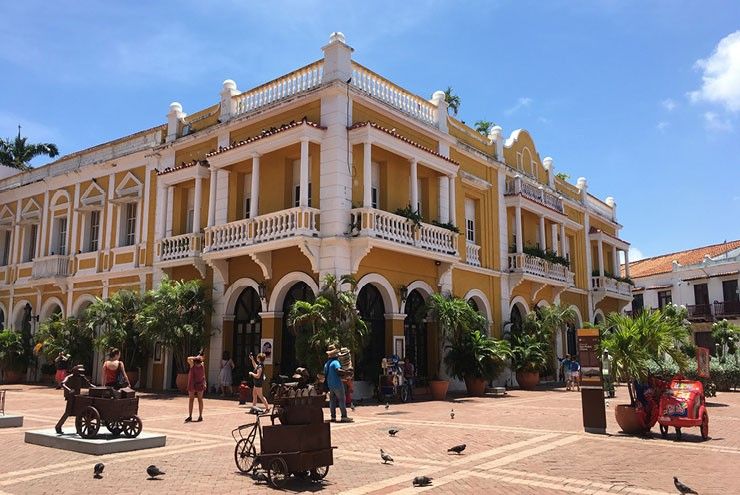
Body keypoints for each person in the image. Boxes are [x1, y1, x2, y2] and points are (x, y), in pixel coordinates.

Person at [55, 365, 92, 434]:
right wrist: (69, 390)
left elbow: (89, 384)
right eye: (78, 371)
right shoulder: (69, 377)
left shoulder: (81, 377)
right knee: (68, 412)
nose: (80, 373)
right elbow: (63, 384)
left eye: (80, 372)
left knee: (80, 412)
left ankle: (79, 429)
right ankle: (58, 426)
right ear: (74, 371)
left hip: (78, 396)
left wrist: (96, 388)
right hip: (71, 396)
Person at [324, 344, 353, 422]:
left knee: (332, 401)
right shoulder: (335, 362)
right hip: (337, 384)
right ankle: (344, 416)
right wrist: (347, 373)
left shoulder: (326, 364)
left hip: (330, 385)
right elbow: (339, 371)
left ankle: (333, 417)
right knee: (341, 400)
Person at [185, 351, 206, 422]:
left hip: (200, 383)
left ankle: (200, 415)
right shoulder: (192, 364)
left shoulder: (202, 364)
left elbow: (204, 374)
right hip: (192, 383)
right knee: (191, 399)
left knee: (200, 399)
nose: (198, 364)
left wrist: (204, 382)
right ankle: (190, 415)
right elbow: (188, 358)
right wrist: (195, 357)